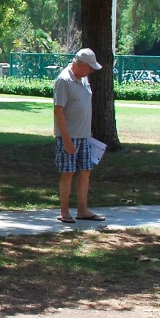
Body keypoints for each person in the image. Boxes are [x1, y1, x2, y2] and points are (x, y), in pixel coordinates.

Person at [53, 48, 106, 224]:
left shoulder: (84, 79)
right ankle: (64, 211)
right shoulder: (63, 80)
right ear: (80, 65)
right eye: (89, 67)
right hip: (68, 136)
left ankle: (83, 210)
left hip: (84, 135)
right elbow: (58, 111)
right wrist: (66, 140)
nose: (91, 71)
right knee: (68, 172)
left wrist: (87, 129)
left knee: (86, 171)